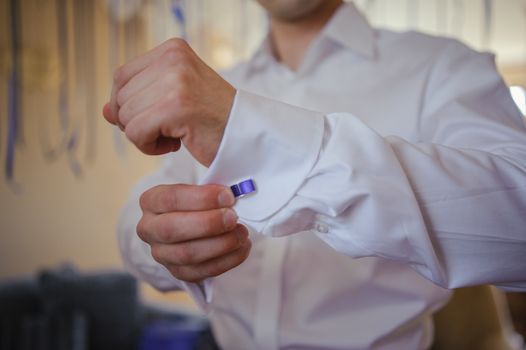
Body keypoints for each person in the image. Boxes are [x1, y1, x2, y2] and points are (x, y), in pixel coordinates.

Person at [102, 1, 526, 349]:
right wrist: (159, 242)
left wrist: (255, 133)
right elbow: (135, 220)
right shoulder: (213, 87)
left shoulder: (443, 67)